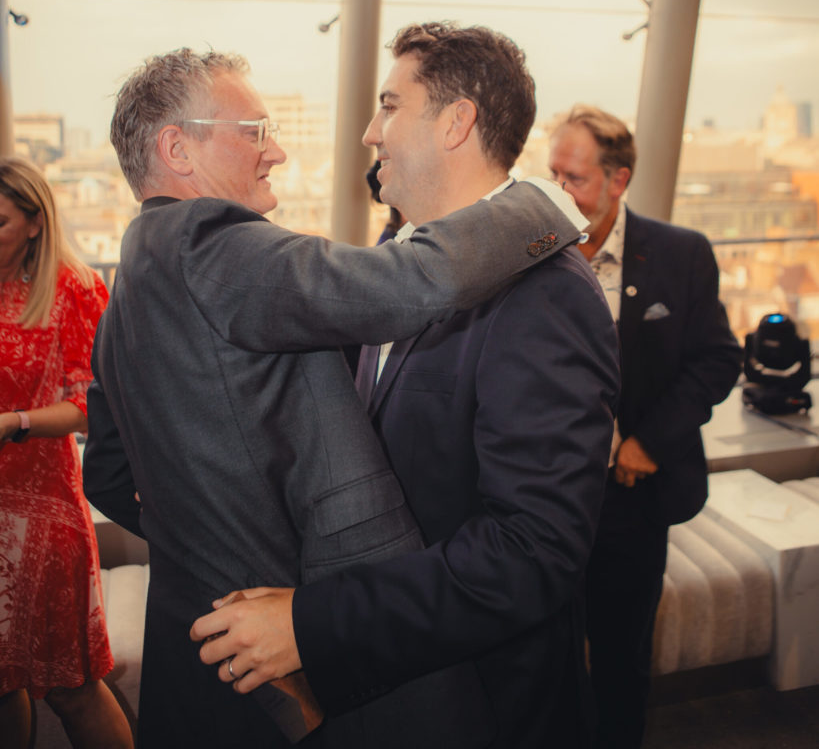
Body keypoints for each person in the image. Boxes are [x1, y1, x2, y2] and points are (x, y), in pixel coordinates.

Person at [82, 46, 585, 749]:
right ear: (177, 149)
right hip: (289, 665)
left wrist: (217, 543)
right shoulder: (208, 242)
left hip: (201, 654)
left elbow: (107, 472)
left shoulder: (131, 281)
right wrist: (544, 204)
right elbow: (416, 283)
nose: (277, 151)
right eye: (255, 132)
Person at [547, 105, 743, 749]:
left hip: (631, 500)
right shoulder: (531, 251)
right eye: (553, 174)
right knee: (544, 662)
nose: (560, 191)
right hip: (544, 499)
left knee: (621, 660)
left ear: (618, 180)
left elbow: (718, 360)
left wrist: (649, 442)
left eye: (575, 178)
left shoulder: (682, 255)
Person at [0, 157, 133, 749]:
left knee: (70, 687)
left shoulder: (72, 288)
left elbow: (92, 403)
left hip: (42, 512)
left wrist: (15, 423)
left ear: (35, 222)